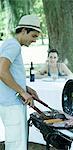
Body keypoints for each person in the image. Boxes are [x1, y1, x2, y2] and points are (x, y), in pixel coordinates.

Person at [0, 14, 41, 150]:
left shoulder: (9, 43)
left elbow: (9, 73)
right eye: (33, 36)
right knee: (17, 146)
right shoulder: (14, 46)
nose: (34, 40)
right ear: (24, 30)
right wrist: (22, 92)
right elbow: (1, 71)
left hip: (9, 102)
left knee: (15, 144)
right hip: (12, 105)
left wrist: (25, 88)